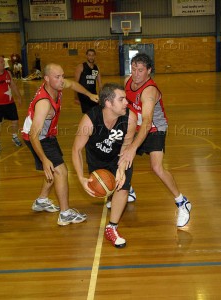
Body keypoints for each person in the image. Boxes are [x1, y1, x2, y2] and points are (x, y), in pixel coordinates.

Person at [119, 53, 191, 228]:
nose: (136, 73)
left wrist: (133, 147)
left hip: (154, 128)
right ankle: (128, 191)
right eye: (134, 68)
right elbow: (128, 106)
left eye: (140, 70)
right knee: (120, 157)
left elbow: (147, 122)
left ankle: (182, 202)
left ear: (149, 71)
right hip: (137, 125)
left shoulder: (149, 91)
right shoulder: (128, 81)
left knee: (157, 167)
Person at [22, 63, 98, 226]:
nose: (62, 80)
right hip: (37, 138)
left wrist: (89, 94)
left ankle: (42, 200)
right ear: (47, 79)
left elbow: (74, 84)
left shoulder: (57, 86)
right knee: (61, 171)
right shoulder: (44, 103)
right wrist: (44, 159)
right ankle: (65, 214)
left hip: (47, 135)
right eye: (58, 77)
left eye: (62, 75)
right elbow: (33, 135)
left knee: (54, 170)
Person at [72, 83, 137, 247]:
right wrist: (80, 178)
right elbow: (76, 149)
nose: (126, 102)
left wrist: (121, 168)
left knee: (123, 186)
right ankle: (112, 195)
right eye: (121, 99)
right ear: (108, 103)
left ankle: (112, 227)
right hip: (96, 160)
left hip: (117, 157)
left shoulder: (130, 118)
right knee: (107, 189)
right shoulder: (90, 119)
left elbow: (126, 147)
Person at [0, 55, 22, 153]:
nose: (4, 63)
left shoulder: (8, 73)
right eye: (1, 62)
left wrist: (19, 96)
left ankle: (14, 137)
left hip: (9, 103)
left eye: (3, 61)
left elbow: (13, 85)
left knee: (15, 121)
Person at [74, 49, 102, 113]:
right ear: (86, 56)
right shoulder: (81, 67)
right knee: (89, 114)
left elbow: (100, 84)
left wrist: (101, 96)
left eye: (92, 55)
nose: (91, 57)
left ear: (95, 56)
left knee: (96, 112)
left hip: (93, 94)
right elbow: (76, 83)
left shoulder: (96, 68)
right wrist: (76, 97)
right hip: (83, 95)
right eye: (89, 55)